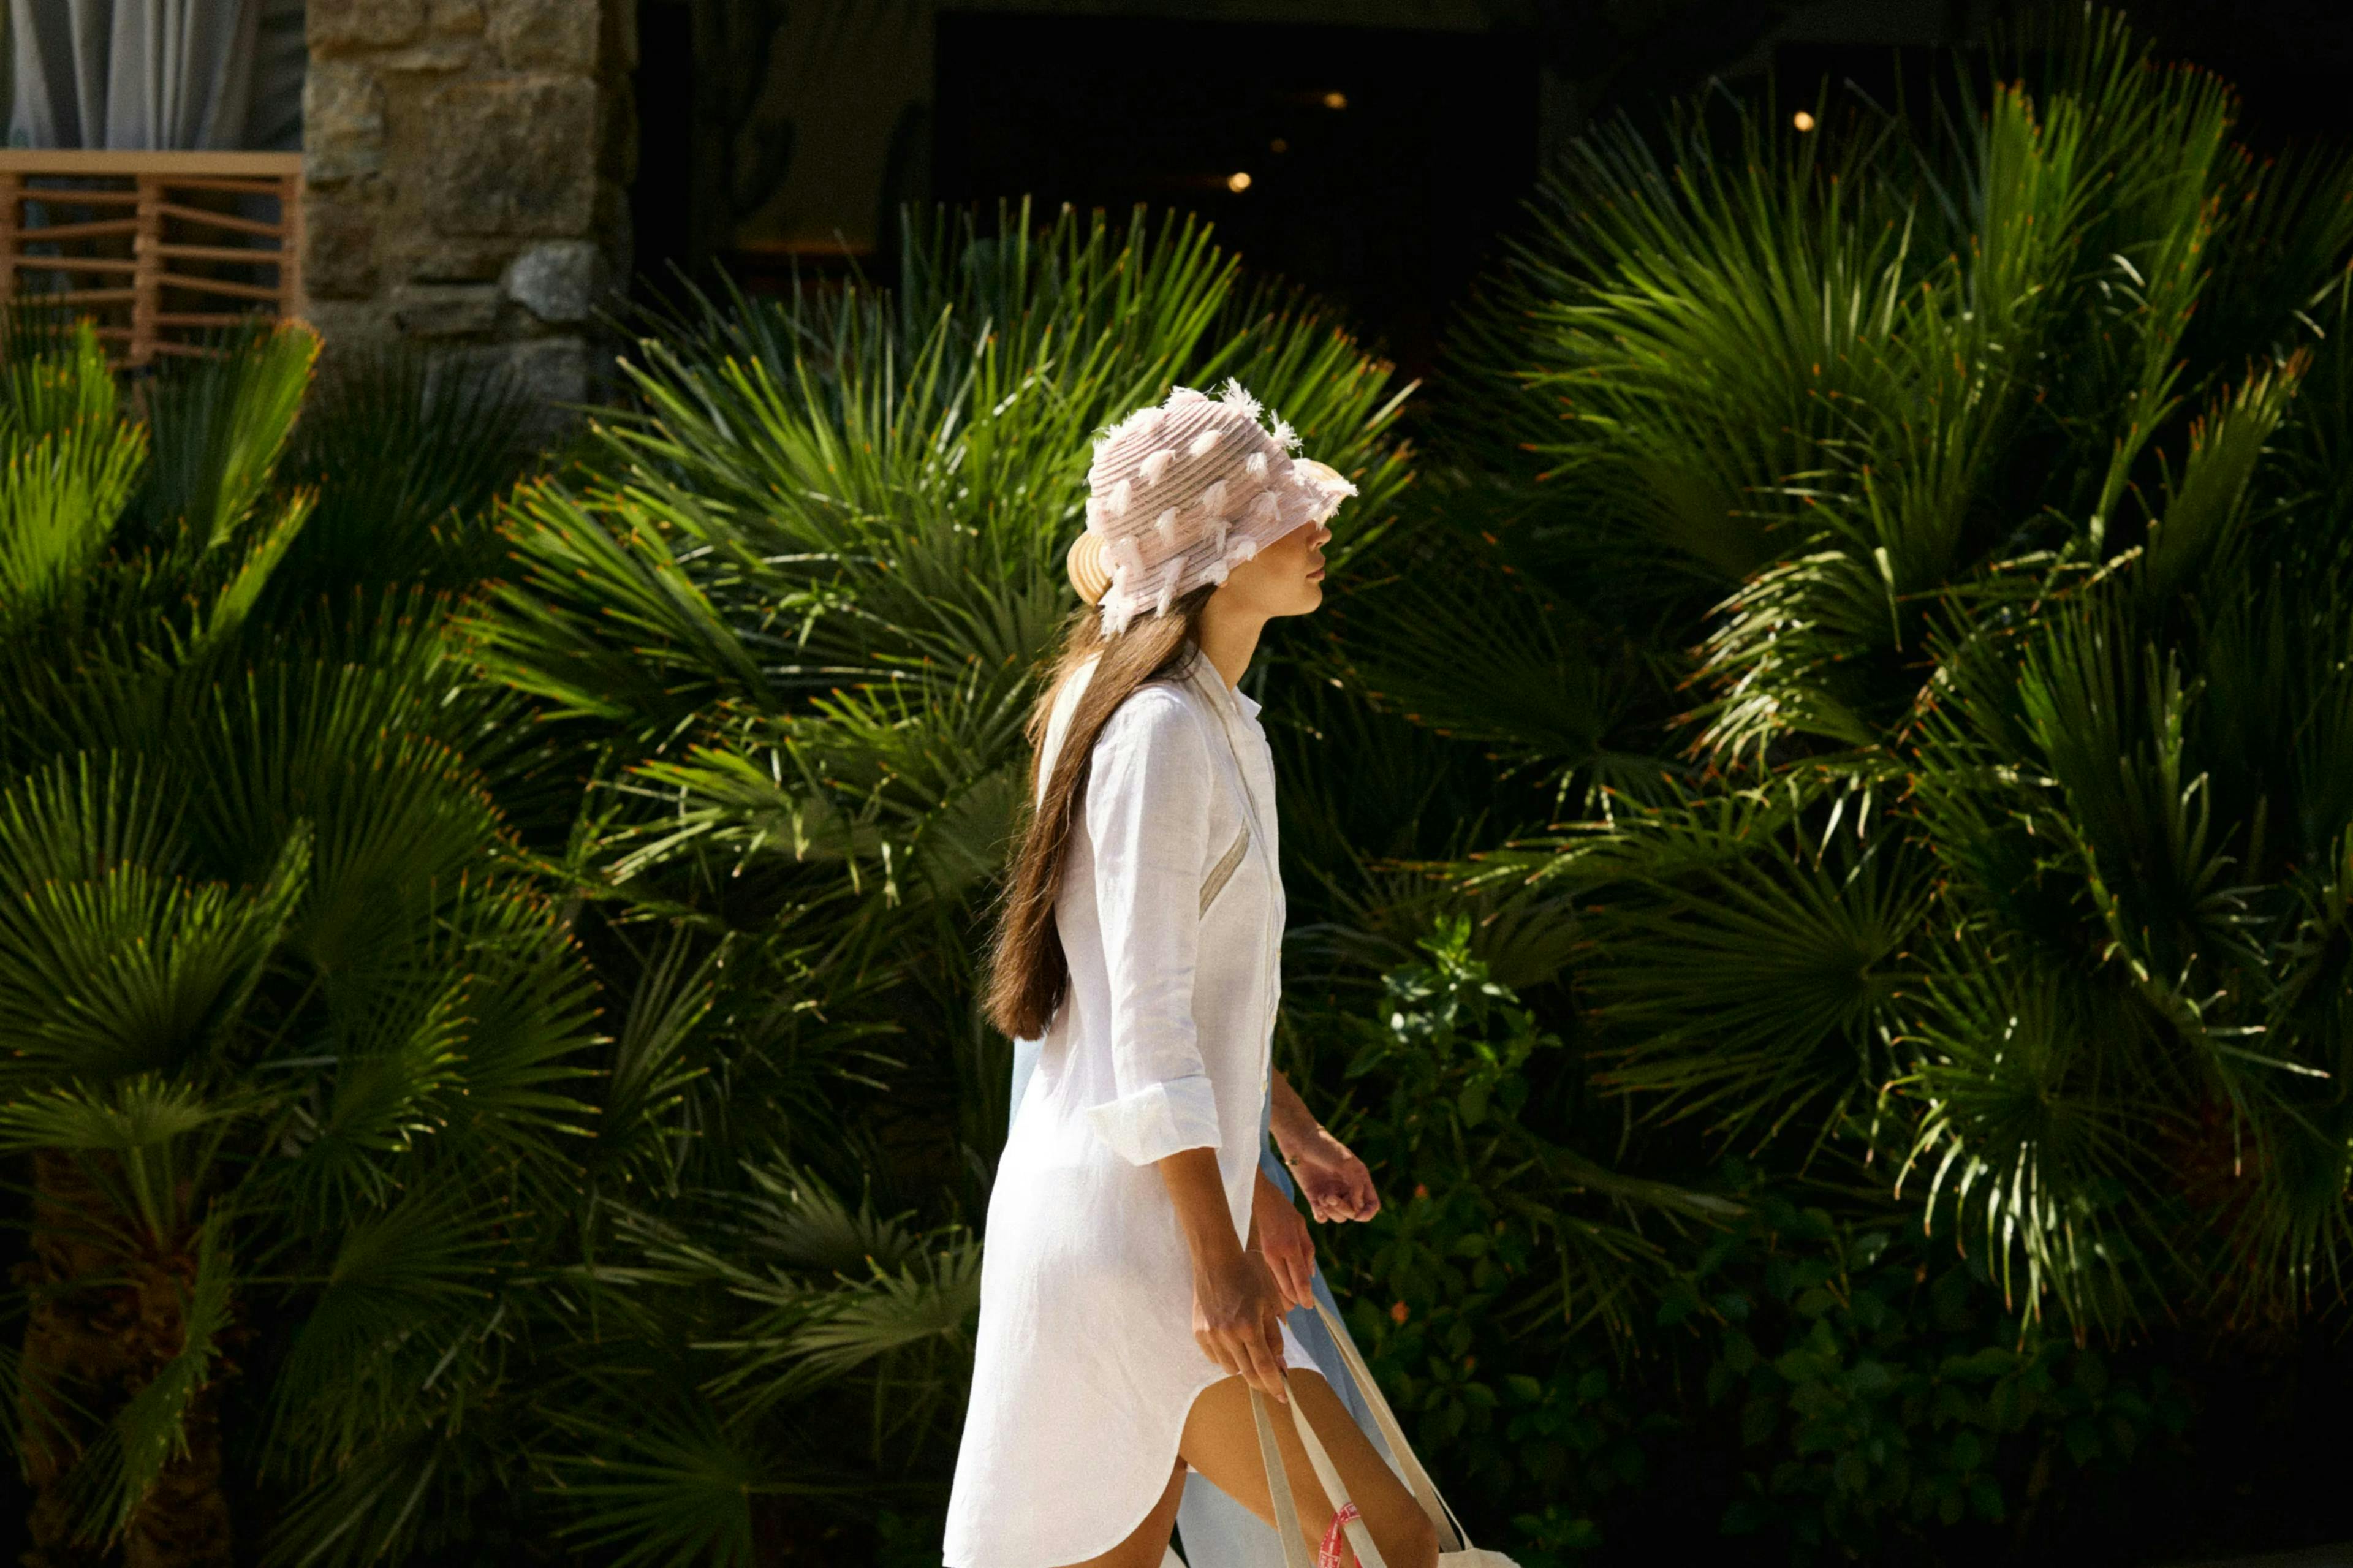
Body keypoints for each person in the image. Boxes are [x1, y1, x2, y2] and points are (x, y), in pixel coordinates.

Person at [946, 384, 1439, 1568]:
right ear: (1215, 554)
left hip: (1117, 1224)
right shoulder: (1160, 730)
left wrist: (1282, 1140)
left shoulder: (1195, 716)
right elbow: (1149, 1024)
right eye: (1283, 509)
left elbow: (1163, 989)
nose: (1319, 522)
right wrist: (1217, 1261)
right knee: (1396, 1550)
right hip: (1143, 1248)